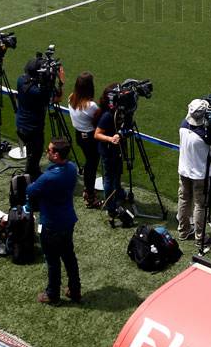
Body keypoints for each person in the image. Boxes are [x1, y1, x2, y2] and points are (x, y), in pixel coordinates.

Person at [26, 138, 82, 305]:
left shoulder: (48, 178)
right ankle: (75, 290)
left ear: (56, 155)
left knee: (52, 261)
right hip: (67, 220)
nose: (46, 152)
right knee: (69, 256)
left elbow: (31, 190)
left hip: (51, 224)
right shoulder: (72, 168)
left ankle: (53, 295)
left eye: (49, 150)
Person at [176, 96, 211, 248]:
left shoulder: (183, 125)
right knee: (200, 205)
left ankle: (183, 230)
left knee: (184, 199)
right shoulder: (206, 134)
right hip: (200, 174)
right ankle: (200, 238)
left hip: (183, 170)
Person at [15, 56, 60, 179]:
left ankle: (33, 171)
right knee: (35, 154)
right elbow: (55, 98)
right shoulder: (38, 92)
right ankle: (30, 177)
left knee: (32, 152)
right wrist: (56, 81)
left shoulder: (20, 80)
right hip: (32, 129)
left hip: (21, 126)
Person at [92, 84, 130, 224]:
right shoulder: (107, 116)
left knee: (117, 173)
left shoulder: (117, 113)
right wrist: (111, 138)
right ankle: (110, 206)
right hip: (108, 151)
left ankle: (119, 192)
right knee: (109, 178)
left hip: (116, 150)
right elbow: (97, 134)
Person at [68, 72, 101, 207]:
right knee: (91, 165)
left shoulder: (71, 98)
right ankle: (90, 195)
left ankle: (89, 190)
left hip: (80, 136)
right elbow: (100, 120)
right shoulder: (90, 106)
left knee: (89, 163)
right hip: (90, 138)